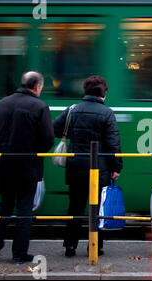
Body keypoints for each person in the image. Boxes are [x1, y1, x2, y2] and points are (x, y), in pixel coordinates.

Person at [0, 71, 55, 263]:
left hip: (4, 164)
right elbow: (47, 140)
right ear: (37, 86)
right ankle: (19, 253)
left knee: (4, 206)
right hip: (27, 166)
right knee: (24, 209)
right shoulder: (40, 106)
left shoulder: (3, 103)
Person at [53, 75, 122, 257]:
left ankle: (70, 246)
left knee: (75, 206)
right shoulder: (107, 113)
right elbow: (113, 144)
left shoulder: (72, 110)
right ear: (103, 93)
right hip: (99, 169)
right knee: (97, 208)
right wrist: (117, 168)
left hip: (75, 166)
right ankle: (95, 247)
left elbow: (54, 129)